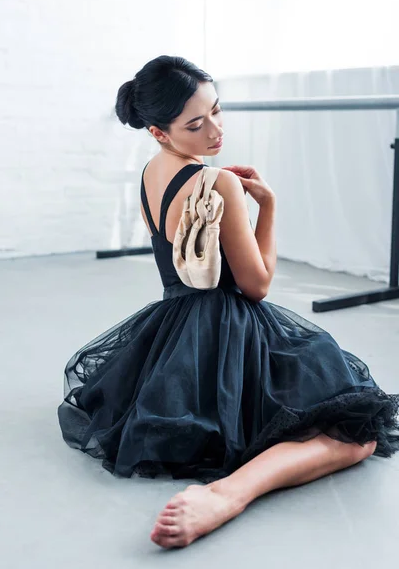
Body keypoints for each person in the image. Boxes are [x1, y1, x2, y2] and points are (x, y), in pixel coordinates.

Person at [57, 55, 399, 549]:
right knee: (358, 431)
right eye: (196, 124)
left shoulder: (153, 172)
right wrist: (270, 207)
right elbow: (257, 285)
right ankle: (229, 494)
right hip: (226, 329)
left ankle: (226, 489)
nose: (215, 131)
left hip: (172, 334)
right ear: (159, 131)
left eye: (217, 111)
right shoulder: (216, 183)